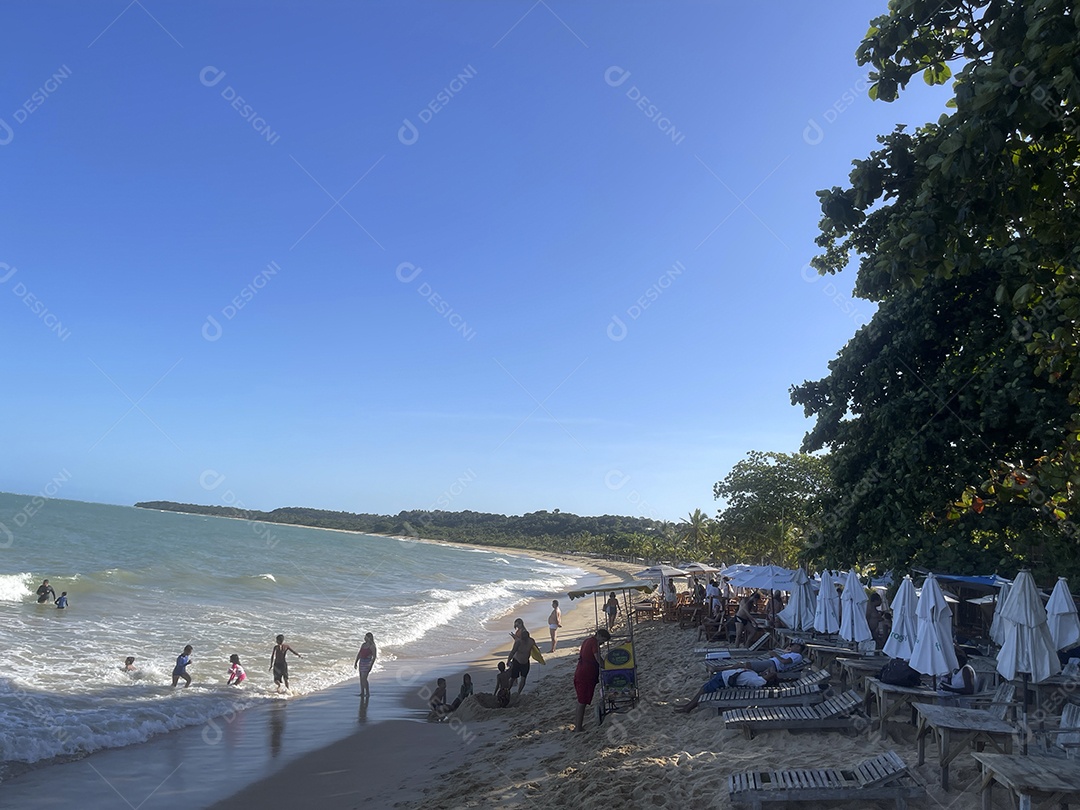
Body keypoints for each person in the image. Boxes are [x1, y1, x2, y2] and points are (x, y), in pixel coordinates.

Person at [673, 666, 779, 713]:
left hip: (723, 680)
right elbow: (770, 667)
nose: (766, 672)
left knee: (703, 690)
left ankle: (688, 708)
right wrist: (767, 673)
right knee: (703, 689)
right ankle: (687, 706)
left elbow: (772, 671)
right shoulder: (757, 676)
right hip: (722, 676)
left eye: (767, 673)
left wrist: (770, 675)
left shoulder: (759, 681)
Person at [573, 628, 611, 731]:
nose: (602, 643)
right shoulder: (594, 643)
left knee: (581, 700)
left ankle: (578, 725)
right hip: (586, 674)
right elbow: (598, 659)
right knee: (582, 701)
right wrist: (608, 667)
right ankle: (578, 727)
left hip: (580, 671)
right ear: (599, 635)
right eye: (603, 640)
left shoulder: (587, 640)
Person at [507, 619, 537, 695]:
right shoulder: (518, 643)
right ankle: (507, 691)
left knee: (523, 678)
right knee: (513, 678)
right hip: (517, 661)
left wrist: (539, 658)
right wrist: (508, 660)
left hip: (525, 662)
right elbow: (512, 652)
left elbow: (536, 649)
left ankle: (518, 693)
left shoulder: (531, 641)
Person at [354, 632, 377, 698]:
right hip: (362, 662)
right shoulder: (363, 645)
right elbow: (359, 653)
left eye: (366, 637)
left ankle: (367, 692)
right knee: (361, 678)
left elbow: (374, 656)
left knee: (364, 678)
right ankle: (362, 692)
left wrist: (371, 665)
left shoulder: (372, 646)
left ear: (369, 638)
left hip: (367, 662)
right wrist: (356, 662)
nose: (364, 638)